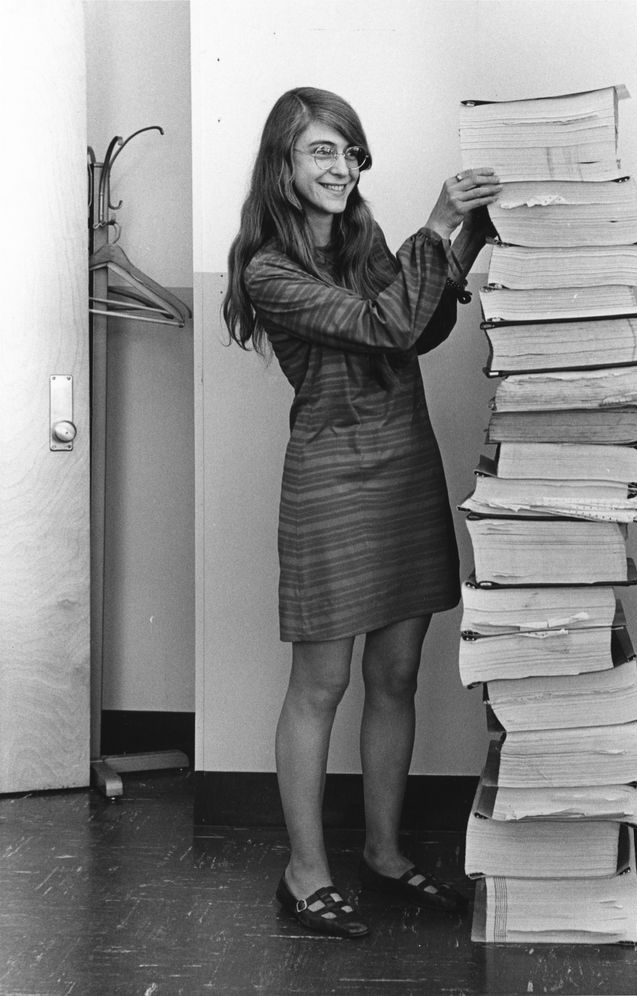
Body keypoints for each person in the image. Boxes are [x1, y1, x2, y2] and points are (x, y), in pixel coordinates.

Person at [223, 86, 500, 939]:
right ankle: (304, 874)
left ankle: (382, 851)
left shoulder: (362, 237)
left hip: (402, 465)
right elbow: (383, 323)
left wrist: (473, 233)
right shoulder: (268, 269)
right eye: (321, 151)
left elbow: (414, 330)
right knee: (323, 683)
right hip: (332, 479)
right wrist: (437, 221)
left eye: (348, 151)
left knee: (394, 677)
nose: (341, 168)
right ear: (284, 162)